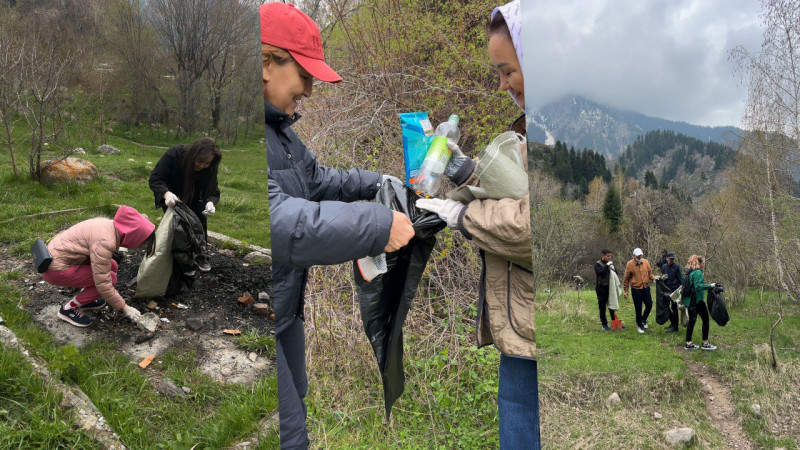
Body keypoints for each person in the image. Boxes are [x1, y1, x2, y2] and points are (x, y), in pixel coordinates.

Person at [261, 3, 415, 448]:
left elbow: (317, 180)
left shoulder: (282, 133)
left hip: (285, 309)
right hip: (264, 312)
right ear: (266, 63)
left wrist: (375, 183)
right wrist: (378, 224)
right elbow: (284, 222)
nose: (309, 88)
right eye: (304, 74)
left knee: (297, 406)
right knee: (288, 432)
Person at [415, 2, 540, 447]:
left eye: (508, 70)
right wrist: (465, 170)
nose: (503, 84)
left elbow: (537, 230)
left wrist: (466, 216)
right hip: (520, 327)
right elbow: (520, 189)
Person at [41, 205, 154, 328]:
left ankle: (85, 299)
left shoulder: (109, 225)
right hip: (54, 270)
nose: (140, 246)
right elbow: (103, 284)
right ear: (133, 237)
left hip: (60, 258)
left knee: (113, 266)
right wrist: (124, 307)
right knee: (110, 279)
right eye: (142, 242)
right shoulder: (105, 242)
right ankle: (68, 309)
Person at [148, 137, 221, 272]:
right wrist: (166, 194)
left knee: (199, 221)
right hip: (171, 196)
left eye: (206, 164)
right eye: (199, 162)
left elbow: (213, 190)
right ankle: (178, 257)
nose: (201, 166)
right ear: (193, 155)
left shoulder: (210, 167)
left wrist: (210, 203)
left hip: (196, 196)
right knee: (177, 225)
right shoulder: (174, 155)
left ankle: (200, 254)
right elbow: (155, 179)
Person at [683, 255, 717, 350]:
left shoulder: (690, 272)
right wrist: (710, 286)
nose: (703, 265)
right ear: (699, 263)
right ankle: (705, 343)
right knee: (705, 319)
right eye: (703, 263)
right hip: (697, 300)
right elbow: (698, 286)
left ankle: (688, 343)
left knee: (692, 321)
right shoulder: (698, 272)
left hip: (690, 301)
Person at [623, 247, 656, 334]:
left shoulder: (646, 262)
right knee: (638, 308)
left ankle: (643, 320)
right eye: (637, 256)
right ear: (634, 256)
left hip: (645, 287)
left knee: (649, 304)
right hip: (636, 289)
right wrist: (626, 291)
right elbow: (626, 279)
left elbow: (650, 274)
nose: (639, 257)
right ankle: (640, 325)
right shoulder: (630, 264)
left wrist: (654, 279)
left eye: (640, 255)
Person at [595, 249, 621, 331]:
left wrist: (613, 268)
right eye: (608, 256)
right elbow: (600, 273)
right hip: (601, 288)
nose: (609, 258)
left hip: (610, 288)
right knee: (602, 307)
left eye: (610, 256)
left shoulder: (610, 264)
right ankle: (604, 324)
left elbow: (616, 274)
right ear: (603, 255)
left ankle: (615, 322)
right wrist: (607, 266)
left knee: (612, 306)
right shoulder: (598, 264)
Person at [660, 251, 682, 333]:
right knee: (665, 307)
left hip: (674, 290)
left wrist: (682, 289)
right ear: (667, 258)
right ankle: (672, 322)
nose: (672, 260)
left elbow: (681, 278)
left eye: (673, 259)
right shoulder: (664, 266)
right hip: (666, 289)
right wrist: (662, 279)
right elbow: (662, 277)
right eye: (670, 259)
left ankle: (675, 327)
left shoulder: (677, 267)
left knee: (674, 308)